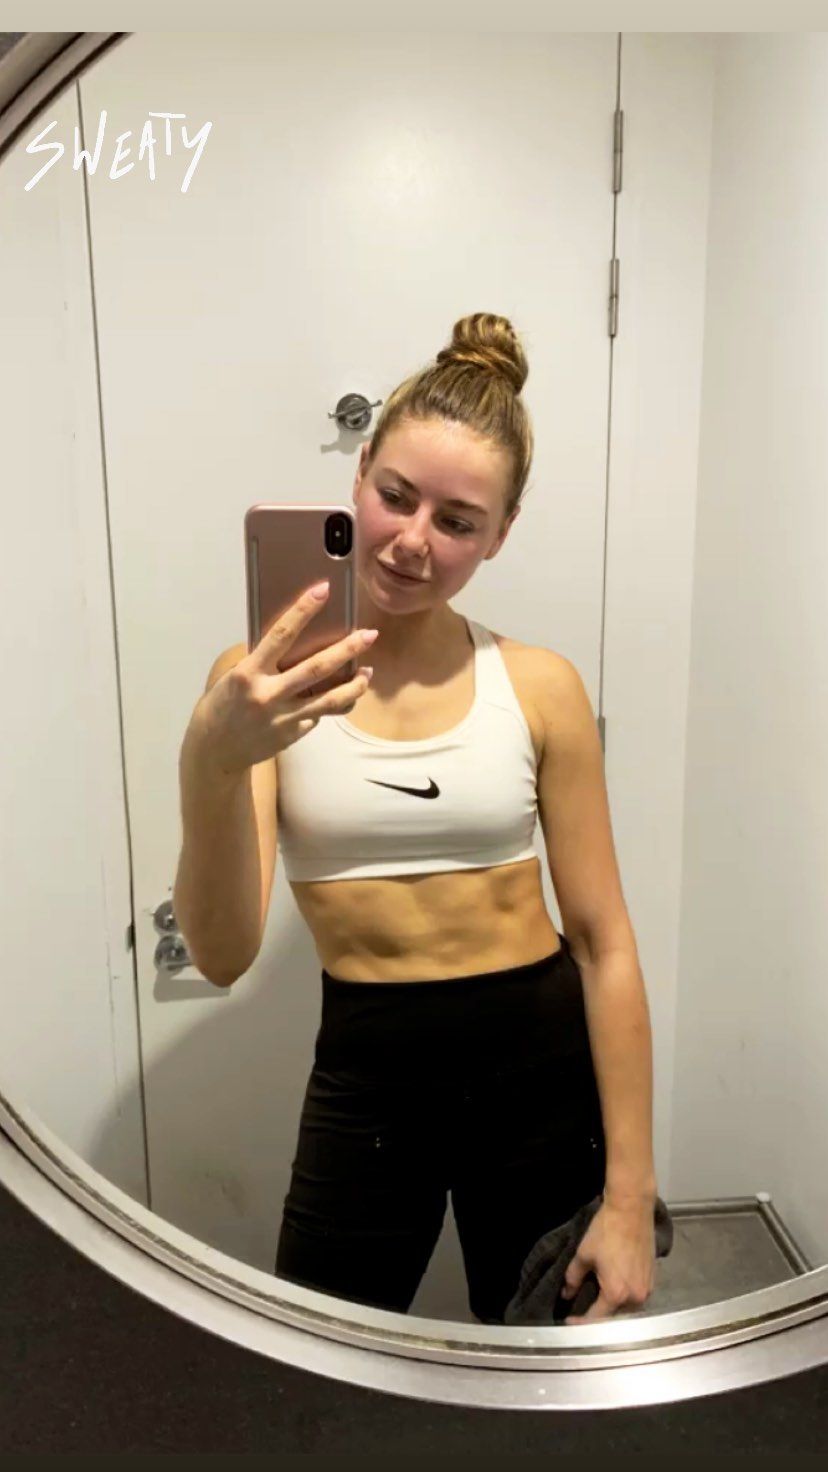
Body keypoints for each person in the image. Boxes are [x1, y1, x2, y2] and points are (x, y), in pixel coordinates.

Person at [173, 312, 658, 1325]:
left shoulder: (539, 684)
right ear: (358, 475)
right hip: (368, 1068)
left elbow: (604, 942)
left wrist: (627, 1196)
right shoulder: (259, 685)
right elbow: (220, 954)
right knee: (322, 1361)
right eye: (395, 496)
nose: (412, 541)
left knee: (550, 1363)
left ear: (500, 534)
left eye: (457, 521)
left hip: (538, 1067)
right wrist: (209, 759)